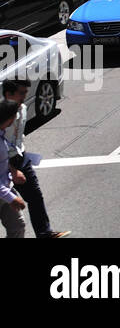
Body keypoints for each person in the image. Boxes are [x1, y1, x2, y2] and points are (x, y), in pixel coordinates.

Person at [2, 79, 69, 238]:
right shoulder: (2, 115)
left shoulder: (23, 109)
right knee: (9, 209)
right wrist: (13, 170)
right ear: (8, 94)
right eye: (21, 93)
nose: (25, 97)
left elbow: (18, 135)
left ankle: (44, 233)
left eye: (26, 92)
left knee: (35, 196)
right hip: (5, 163)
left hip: (21, 158)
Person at [0, 100, 25, 238]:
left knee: (18, 227)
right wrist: (12, 198)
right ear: (10, 118)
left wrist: (13, 170)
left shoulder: (2, 134)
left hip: (5, 189)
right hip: (4, 192)